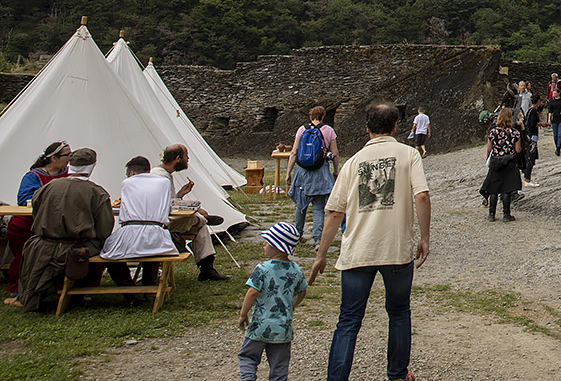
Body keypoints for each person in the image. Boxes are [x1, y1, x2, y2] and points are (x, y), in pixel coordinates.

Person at [310, 101, 430, 381]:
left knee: (348, 320)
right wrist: (424, 237)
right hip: (396, 248)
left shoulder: (352, 163)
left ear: (367, 128)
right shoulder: (409, 155)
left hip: (358, 250)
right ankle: (397, 374)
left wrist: (321, 254)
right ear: (396, 126)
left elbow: (334, 212)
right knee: (399, 312)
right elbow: (421, 195)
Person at [10, 147, 114, 311]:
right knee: (103, 246)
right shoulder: (97, 193)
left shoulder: (47, 188)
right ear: (92, 166)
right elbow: (104, 230)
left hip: (42, 245)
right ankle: (80, 291)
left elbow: (36, 212)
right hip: (76, 247)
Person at [238, 221, 308, 381]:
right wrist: (292, 305)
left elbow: (252, 292)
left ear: (277, 246)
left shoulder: (262, 269)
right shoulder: (296, 270)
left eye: (267, 241)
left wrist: (243, 314)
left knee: (248, 357)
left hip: (259, 326)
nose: (263, 243)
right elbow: (303, 291)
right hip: (282, 328)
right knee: (280, 365)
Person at [101, 155, 177, 294]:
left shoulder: (128, 183)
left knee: (107, 252)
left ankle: (128, 288)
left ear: (131, 173)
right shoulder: (163, 182)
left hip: (131, 231)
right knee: (153, 247)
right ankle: (149, 285)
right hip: (156, 233)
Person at [154, 144, 229, 281]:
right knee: (195, 217)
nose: (188, 160)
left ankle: (207, 269)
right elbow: (167, 207)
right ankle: (203, 218)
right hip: (159, 224)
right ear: (178, 159)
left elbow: (168, 201)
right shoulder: (160, 177)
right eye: (186, 157)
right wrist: (193, 208)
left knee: (201, 228)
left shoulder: (165, 174)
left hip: (166, 219)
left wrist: (179, 195)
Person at [6, 140, 70, 295]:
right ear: (54, 158)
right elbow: (24, 200)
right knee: (26, 252)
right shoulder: (33, 176)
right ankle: (21, 287)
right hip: (30, 223)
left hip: (58, 223)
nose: (70, 158)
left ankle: (60, 285)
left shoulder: (70, 174)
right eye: (67, 155)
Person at [287, 107, 340, 247]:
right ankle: (317, 240)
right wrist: (335, 171)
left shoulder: (302, 130)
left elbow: (294, 152)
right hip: (320, 172)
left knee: (300, 206)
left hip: (302, 172)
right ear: (323, 116)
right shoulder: (328, 130)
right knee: (318, 207)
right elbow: (334, 153)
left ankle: (297, 236)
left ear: (311, 117)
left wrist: (288, 173)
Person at [481, 109, 521, 222]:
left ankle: (491, 214)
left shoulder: (493, 132)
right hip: (509, 162)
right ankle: (506, 214)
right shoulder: (515, 133)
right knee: (506, 189)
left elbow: (489, 148)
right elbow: (518, 150)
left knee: (494, 189)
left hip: (496, 162)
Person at [522, 94, 542, 187]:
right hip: (532, 136)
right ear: (538, 101)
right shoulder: (533, 111)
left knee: (531, 157)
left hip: (529, 135)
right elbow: (533, 123)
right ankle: (527, 179)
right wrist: (542, 124)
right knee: (531, 157)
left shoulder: (529, 110)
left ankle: (527, 177)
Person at [547, 87, 561, 156]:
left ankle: (558, 148)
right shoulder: (551, 102)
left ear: (558, 93)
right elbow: (550, 111)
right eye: (553, 93)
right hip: (554, 119)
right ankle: (557, 146)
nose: (554, 94)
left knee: (559, 134)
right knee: (555, 135)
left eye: (555, 93)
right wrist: (549, 119)